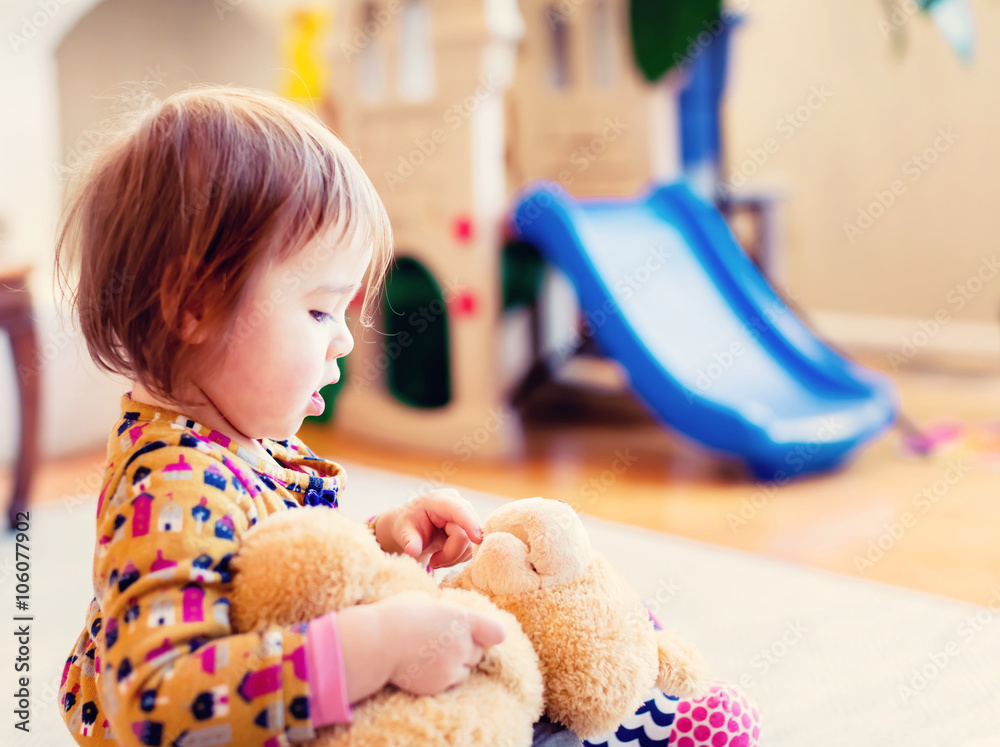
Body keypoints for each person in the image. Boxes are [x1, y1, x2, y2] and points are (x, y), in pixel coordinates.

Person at [56, 86, 582, 747]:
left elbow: (260, 575)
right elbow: (159, 706)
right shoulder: (169, 489)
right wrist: (374, 645)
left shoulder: (227, 440)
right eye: (318, 311)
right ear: (193, 305)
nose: (344, 339)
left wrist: (381, 540)